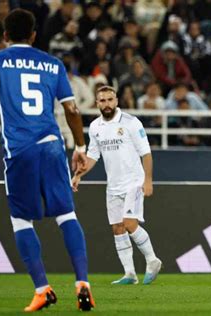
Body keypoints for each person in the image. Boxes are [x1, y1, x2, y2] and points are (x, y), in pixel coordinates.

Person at [0, 9, 95, 312]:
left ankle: (43, 289)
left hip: (20, 149)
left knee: (21, 219)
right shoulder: (53, 64)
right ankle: (83, 283)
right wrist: (80, 146)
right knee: (67, 215)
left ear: (5, 35)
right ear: (34, 35)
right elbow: (73, 110)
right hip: (52, 145)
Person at [72, 85, 162, 285]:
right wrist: (79, 175)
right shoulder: (95, 127)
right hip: (113, 185)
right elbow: (93, 155)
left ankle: (152, 259)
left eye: (110, 100)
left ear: (117, 101)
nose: (106, 104)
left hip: (134, 182)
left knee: (129, 223)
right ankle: (130, 274)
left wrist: (148, 180)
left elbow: (146, 153)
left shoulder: (131, 122)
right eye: (102, 100)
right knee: (117, 228)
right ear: (97, 103)